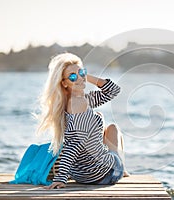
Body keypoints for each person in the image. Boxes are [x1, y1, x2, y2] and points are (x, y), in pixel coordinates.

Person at [35, 52, 128, 190]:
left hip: (80, 174)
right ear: (64, 83)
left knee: (103, 124)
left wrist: (82, 76)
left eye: (81, 72)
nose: (79, 78)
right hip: (102, 175)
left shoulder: (76, 101)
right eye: (72, 77)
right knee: (113, 128)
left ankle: (115, 162)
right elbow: (74, 144)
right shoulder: (78, 103)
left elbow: (113, 91)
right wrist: (61, 178)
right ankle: (121, 167)